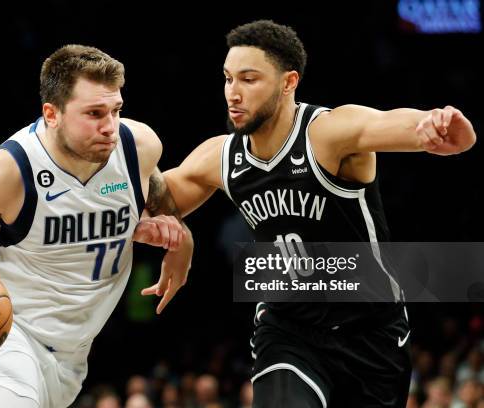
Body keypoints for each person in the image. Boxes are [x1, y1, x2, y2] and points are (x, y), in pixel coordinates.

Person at [159, 20, 477, 407]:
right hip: (288, 330)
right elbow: (155, 203)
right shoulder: (220, 156)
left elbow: (392, 123)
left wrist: (438, 126)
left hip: (371, 332)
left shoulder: (328, 133)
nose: (233, 93)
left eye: (249, 79)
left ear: (288, 82)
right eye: (227, 79)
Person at [0, 44, 193, 408]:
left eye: (116, 110)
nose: (110, 127)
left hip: (72, 353)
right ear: (51, 114)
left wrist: (179, 240)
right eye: (94, 113)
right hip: (1, 331)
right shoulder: (7, 172)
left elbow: (162, 205)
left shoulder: (139, 146)